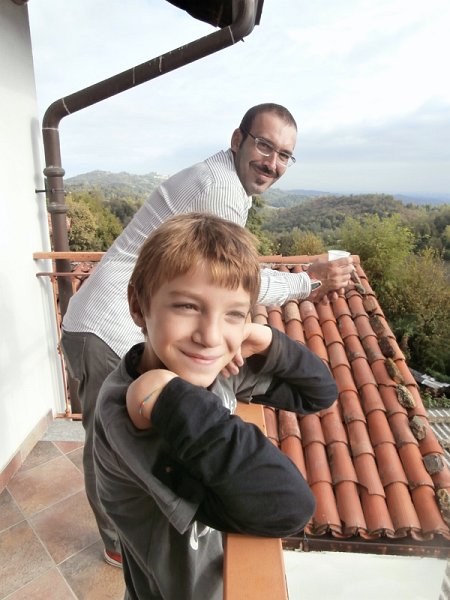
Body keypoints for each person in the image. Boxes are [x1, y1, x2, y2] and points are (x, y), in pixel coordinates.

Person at [61, 102, 353, 565]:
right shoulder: (219, 188)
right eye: (264, 145)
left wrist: (261, 334)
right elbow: (235, 282)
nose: (272, 162)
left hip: (123, 321)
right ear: (238, 140)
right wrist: (308, 282)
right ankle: (121, 546)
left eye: (284, 155)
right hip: (107, 325)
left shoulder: (228, 185)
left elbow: (231, 289)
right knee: (110, 443)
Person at [93, 213, 338, 599]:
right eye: (187, 306)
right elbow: (287, 505)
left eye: (233, 314)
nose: (210, 336)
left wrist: (264, 338)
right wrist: (167, 394)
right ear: (139, 306)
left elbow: (319, 393)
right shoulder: (125, 417)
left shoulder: (210, 370)